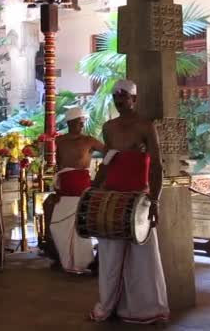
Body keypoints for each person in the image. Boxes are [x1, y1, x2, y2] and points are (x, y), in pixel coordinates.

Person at [89, 79, 169, 324]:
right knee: (110, 256)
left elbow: (156, 166)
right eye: (116, 99)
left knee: (142, 257)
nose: (120, 102)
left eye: (124, 98)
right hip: (112, 197)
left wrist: (154, 200)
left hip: (138, 199)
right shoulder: (108, 127)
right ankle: (109, 306)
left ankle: (148, 309)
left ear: (134, 99)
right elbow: (107, 162)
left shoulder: (146, 126)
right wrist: (93, 190)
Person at [42, 107, 104, 274]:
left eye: (82, 122)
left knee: (80, 226)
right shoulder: (60, 141)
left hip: (81, 187)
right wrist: (56, 188)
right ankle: (65, 260)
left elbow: (110, 153)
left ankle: (86, 262)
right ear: (69, 123)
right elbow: (59, 165)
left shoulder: (89, 140)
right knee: (57, 226)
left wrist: (101, 176)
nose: (81, 126)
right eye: (78, 122)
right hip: (64, 186)